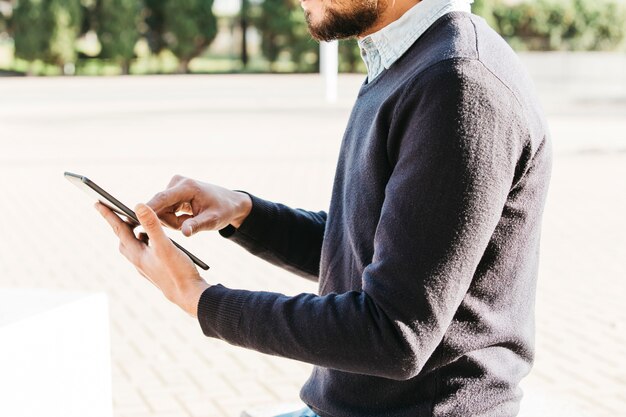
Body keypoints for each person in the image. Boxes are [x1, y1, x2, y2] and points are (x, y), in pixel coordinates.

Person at [95, 0, 552, 414]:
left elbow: (393, 334)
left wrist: (197, 298)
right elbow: (371, 251)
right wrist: (243, 212)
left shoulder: (460, 83)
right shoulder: (411, 61)